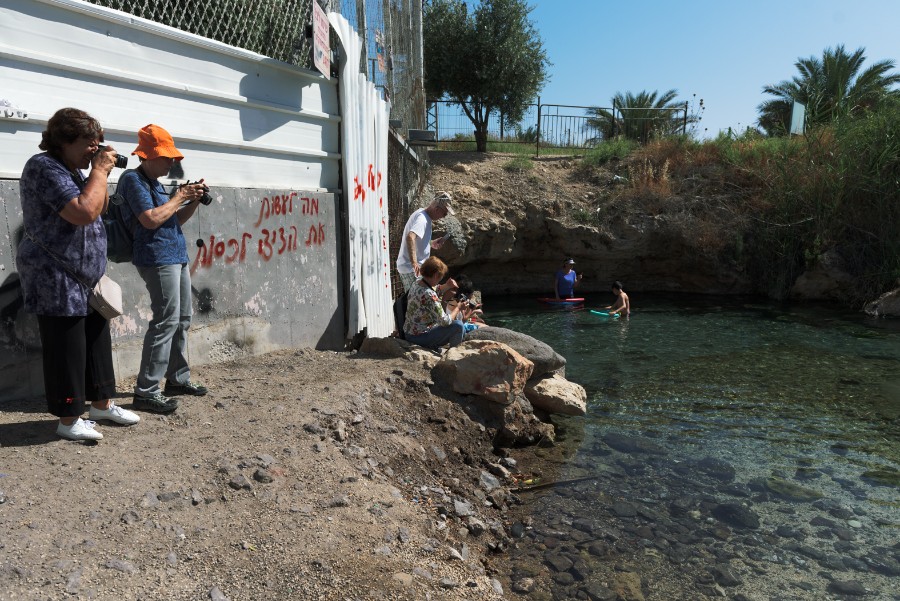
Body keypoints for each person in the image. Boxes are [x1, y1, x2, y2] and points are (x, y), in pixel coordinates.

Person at [16, 107, 140, 440]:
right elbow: (83, 212)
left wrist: (95, 175)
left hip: (86, 278)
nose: (96, 149)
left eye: (99, 143)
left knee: (96, 341)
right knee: (66, 347)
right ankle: (68, 419)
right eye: (90, 142)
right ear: (64, 140)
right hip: (55, 276)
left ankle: (101, 404)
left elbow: (96, 206)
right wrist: (99, 172)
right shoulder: (43, 167)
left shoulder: (74, 171)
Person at [120, 124, 210, 413]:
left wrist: (192, 201)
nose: (172, 162)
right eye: (167, 157)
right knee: (165, 322)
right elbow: (149, 219)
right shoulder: (133, 180)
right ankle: (146, 390)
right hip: (157, 258)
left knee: (182, 319)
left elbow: (173, 220)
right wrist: (179, 197)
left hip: (176, 255)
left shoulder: (156, 183)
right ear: (148, 155)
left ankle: (177, 379)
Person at [403, 257, 473, 349]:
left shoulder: (417, 282)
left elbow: (434, 289)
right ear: (436, 275)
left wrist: (447, 286)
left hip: (410, 333)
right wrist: (458, 307)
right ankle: (452, 356)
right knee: (458, 326)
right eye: (441, 277)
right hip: (419, 337)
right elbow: (445, 321)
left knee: (459, 327)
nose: (440, 280)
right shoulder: (430, 295)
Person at [396, 191, 455, 292]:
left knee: (419, 299)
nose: (445, 216)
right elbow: (410, 237)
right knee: (418, 300)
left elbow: (417, 240)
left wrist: (431, 243)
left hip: (413, 268)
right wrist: (414, 263)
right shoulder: (422, 219)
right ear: (437, 209)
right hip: (412, 269)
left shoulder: (423, 215)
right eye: (445, 213)